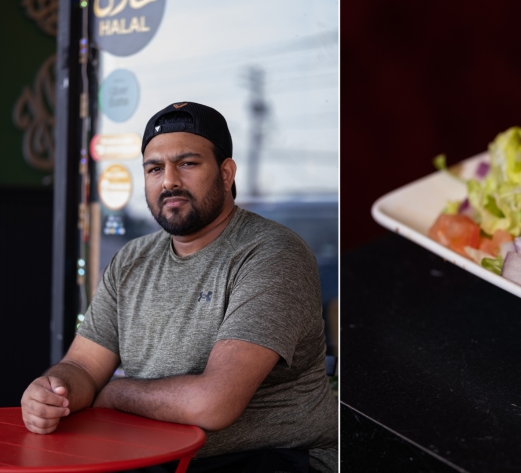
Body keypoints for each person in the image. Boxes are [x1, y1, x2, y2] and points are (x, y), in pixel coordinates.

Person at [20, 102, 337, 473]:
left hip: (271, 458)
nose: (168, 180)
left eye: (187, 163)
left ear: (226, 172)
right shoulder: (131, 260)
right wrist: (53, 391)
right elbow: (84, 367)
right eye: (155, 168)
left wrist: (116, 393)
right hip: (151, 456)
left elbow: (214, 404)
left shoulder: (271, 254)